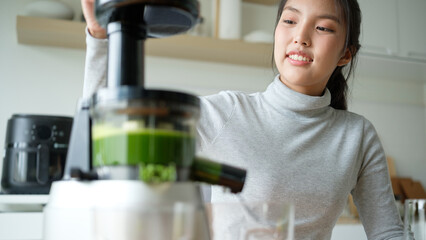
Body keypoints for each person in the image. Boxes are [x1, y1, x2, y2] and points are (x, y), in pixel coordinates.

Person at [81, 0, 405, 239]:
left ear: (346, 54)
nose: (301, 37)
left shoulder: (357, 135)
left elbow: (388, 232)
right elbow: (106, 137)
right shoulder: (227, 112)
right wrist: (100, 40)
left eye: (323, 27)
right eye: (290, 21)